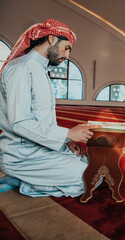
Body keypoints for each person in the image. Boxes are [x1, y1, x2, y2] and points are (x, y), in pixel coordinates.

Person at [0, 19, 98, 197]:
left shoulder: (41, 70)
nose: (67, 56)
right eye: (67, 48)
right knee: (90, 178)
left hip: (42, 149)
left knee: (91, 163)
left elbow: (42, 121)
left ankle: (31, 179)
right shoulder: (21, 69)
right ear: (52, 39)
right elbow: (20, 123)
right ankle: (23, 182)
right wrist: (68, 133)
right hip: (22, 156)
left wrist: (65, 142)